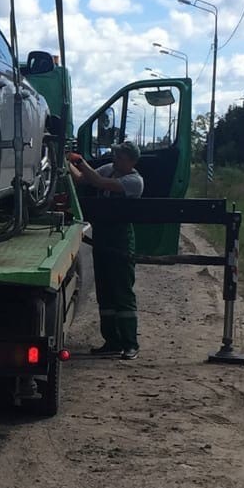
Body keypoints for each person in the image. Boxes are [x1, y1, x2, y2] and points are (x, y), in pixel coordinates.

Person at [68, 141, 145, 361]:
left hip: (120, 240)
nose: (117, 160)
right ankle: (111, 341)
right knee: (105, 293)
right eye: (116, 156)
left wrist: (80, 161)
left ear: (132, 161)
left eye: (121, 157)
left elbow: (99, 181)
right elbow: (83, 179)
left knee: (122, 293)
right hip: (102, 238)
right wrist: (67, 163)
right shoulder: (110, 169)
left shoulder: (134, 181)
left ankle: (130, 343)